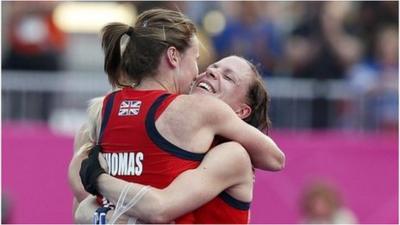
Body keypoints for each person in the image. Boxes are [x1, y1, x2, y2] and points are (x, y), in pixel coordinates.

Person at [68, 8, 284, 223]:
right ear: (172, 57)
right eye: (207, 65)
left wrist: (98, 182)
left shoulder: (231, 152)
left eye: (228, 78)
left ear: (241, 112)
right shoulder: (123, 111)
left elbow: (157, 209)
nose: (209, 71)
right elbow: (82, 200)